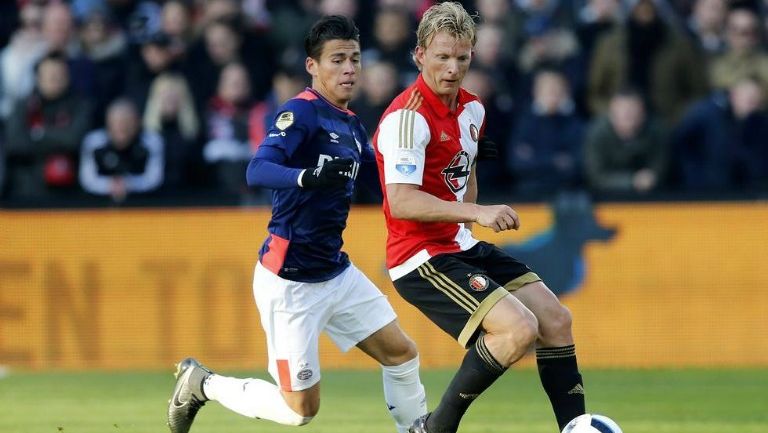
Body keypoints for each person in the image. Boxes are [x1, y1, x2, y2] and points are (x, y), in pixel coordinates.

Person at [167, 15, 427, 433]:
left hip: (335, 271)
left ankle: (417, 429)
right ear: (313, 66)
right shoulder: (300, 113)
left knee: (401, 353)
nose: (349, 69)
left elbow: (386, 182)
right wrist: (306, 176)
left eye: (355, 59)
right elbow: (258, 169)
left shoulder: (353, 125)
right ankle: (203, 384)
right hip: (290, 282)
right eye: (337, 59)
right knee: (300, 411)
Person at [372, 3, 586, 433]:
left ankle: (578, 428)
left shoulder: (473, 110)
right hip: (420, 257)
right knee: (517, 330)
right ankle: (436, 428)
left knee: (556, 319)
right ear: (419, 55)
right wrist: (478, 212)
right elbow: (401, 202)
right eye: (442, 57)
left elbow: (462, 181)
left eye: (462, 57)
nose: (453, 68)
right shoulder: (407, 117)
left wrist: (471, 197)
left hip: (460, 244)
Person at [79, 98, 164, 202]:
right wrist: (109, 185)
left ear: (137, 122)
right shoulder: (94, 142)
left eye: (126, 122)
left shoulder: (151, 141)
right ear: (108, 123)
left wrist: (129, 184)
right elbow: (88, 180)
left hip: (145, 204)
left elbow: (154, 179)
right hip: (98, 205)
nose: (121, 127)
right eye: (116, 123)